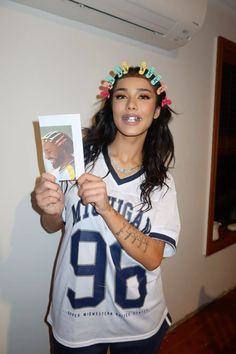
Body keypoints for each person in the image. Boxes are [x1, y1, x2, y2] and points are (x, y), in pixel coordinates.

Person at [34, 61, 181, 354]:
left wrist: (107, 208)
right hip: (77, 317)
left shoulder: (162, 183)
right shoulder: (74, 159)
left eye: (143, 96)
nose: (131, 105)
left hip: (138, 319)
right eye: (121, 95)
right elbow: (55, 226)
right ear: (111, 104)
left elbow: (153, 258)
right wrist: (49, 209)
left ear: (156, 111)